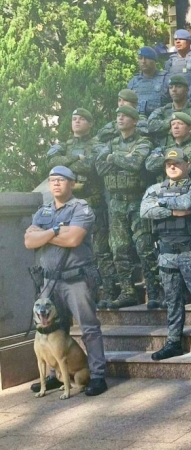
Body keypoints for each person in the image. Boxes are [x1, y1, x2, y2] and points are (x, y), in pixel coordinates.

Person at [25, 165, 107, 396]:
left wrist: (44, 236)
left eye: (62, 180)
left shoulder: (80, 208)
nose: (56, 183)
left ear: (72, 184)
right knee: (52, 328)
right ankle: (55, 375)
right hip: (49, 283)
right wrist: (55, 231)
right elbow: (29, 242)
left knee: (89, 327)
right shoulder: (42, 211)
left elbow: (74, 239)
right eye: (52, 180)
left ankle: (98, 375)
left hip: (76, 279)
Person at [140, 148, 191, 363]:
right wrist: (173, 210)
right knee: (172, 301)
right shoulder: (155, 188)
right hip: (166, 253)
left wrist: (162, 203)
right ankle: (174, 341)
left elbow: (188, 204)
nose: (172, 166)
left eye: (176, 163)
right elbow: (145, 211)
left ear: (187, 165)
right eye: (169, 164)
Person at [47, 109, 112, 306]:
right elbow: (51, 163)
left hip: (93, 204)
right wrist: (77, 159)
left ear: (90, 123)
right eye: (74, 119)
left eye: (81, 119)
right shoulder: (63, 145)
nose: (76, 122)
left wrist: (70, 163)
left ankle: (107, 291)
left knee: (101, 250)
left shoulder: (98, 145)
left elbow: (91, 166)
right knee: (70, 252)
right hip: (68, 208)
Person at [95, 106, 158, 309]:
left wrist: (113, 158)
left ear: (134, 121)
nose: (120, 118)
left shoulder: (143, 142)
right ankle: (127, 291)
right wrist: (122, 159)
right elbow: (99, 167)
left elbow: (137, 163)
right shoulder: (110, 143)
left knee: (144, 246)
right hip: (115, 202)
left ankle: (155, 292)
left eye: (124, 116)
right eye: (118, 115)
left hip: (137, 200)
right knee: (119, 249)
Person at [145, 112, 191, 181]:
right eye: (173, 124)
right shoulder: (165, 148)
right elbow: (149, 165)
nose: (175, 127)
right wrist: (178, 161)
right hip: (165, 188)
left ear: (190, 129)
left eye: (180, 124)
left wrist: (165, 161)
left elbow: (188, 169)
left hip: (189, 188)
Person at [147, 74, 191, 144]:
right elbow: (151, 126)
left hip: (188, 149)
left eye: (178, 87)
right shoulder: (163, 110)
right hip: (165, 150)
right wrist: (176, 124)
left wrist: (165, 129)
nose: (174, 90)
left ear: (187, 90)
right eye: (171, 87)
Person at [127, 46, 168, 116]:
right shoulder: (133, 83)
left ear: (154, 60)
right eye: (140, 58)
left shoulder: (166, 79)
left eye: (147, 58)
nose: (143, 61)